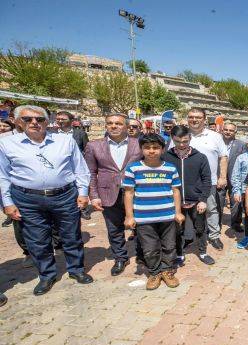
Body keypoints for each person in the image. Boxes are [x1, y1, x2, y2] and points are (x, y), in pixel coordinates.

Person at [0, 105, 92, 296]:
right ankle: (47, 275)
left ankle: (76, 270)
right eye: (27, 119)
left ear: (47, 121)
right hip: (27, 199)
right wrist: (7, 202)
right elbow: (3, 176)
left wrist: (83, 193)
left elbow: (80, 168)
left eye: (39, 119)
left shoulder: (64, 141)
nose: (34, 122)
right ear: (18, 122)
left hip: (65, 195)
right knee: (37, 239)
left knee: (71, 235)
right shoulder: (7, 144)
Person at [123, 133, 184, 290]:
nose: (151, 151)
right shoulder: (133, 168)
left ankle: (167, 271)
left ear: (162, 149)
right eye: (147, 147)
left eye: (156, 148)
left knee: (169, 246)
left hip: (168, 216)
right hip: (144, 218)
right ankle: (155, 273)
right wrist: (129, 216)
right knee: (150, 249)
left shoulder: (170, 168)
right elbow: (129, 193)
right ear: (141, 149)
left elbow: (176, 191)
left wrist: (178, 212)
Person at [84, 113, 143, 276]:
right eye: (110, 123)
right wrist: (94, 195)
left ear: (126, 126)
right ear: (106, 126)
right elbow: (90, 172)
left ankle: (142, 254)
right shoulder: (94, 146)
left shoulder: (139, 144)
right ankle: (120, 258)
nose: (114, 126)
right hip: (108, 193)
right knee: (114, 229)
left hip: (136, 192)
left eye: (118, 123)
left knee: (140, 225)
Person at [161, 125, 214, 266]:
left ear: (190, 138)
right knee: (178, 230)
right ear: (172, 139)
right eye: (178, 141)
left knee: (200, 228)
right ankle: (179, 254)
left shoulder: (200, 157)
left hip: (196, 201)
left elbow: (207, 180)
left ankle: (203, 252)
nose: (182, 144)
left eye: (185, 141)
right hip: (175, 202)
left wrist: (203, 200)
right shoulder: (165, 157)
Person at [179, 108, 228, 250]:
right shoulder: (180, 135)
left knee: (211, 209)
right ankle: (188, 236)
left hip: (209, 181)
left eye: (198, 117)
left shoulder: (215, 136)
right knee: (187, 210)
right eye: (191, 117)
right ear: (187, 118)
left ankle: (214, 236)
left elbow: (223, 157)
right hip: (185, 183)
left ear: (204, 119)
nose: (194, 120)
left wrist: (223, 177)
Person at [219, 122, 246, 232]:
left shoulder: (241, 144)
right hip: (219, 175)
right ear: (222, 130)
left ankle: (236, 223)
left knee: (235, 201)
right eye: (226, 129)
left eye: (231, 130)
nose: (228, 132)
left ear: (235, 132)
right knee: (218, 200)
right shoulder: (217, 142)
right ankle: (216, 223)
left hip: (235, 176)